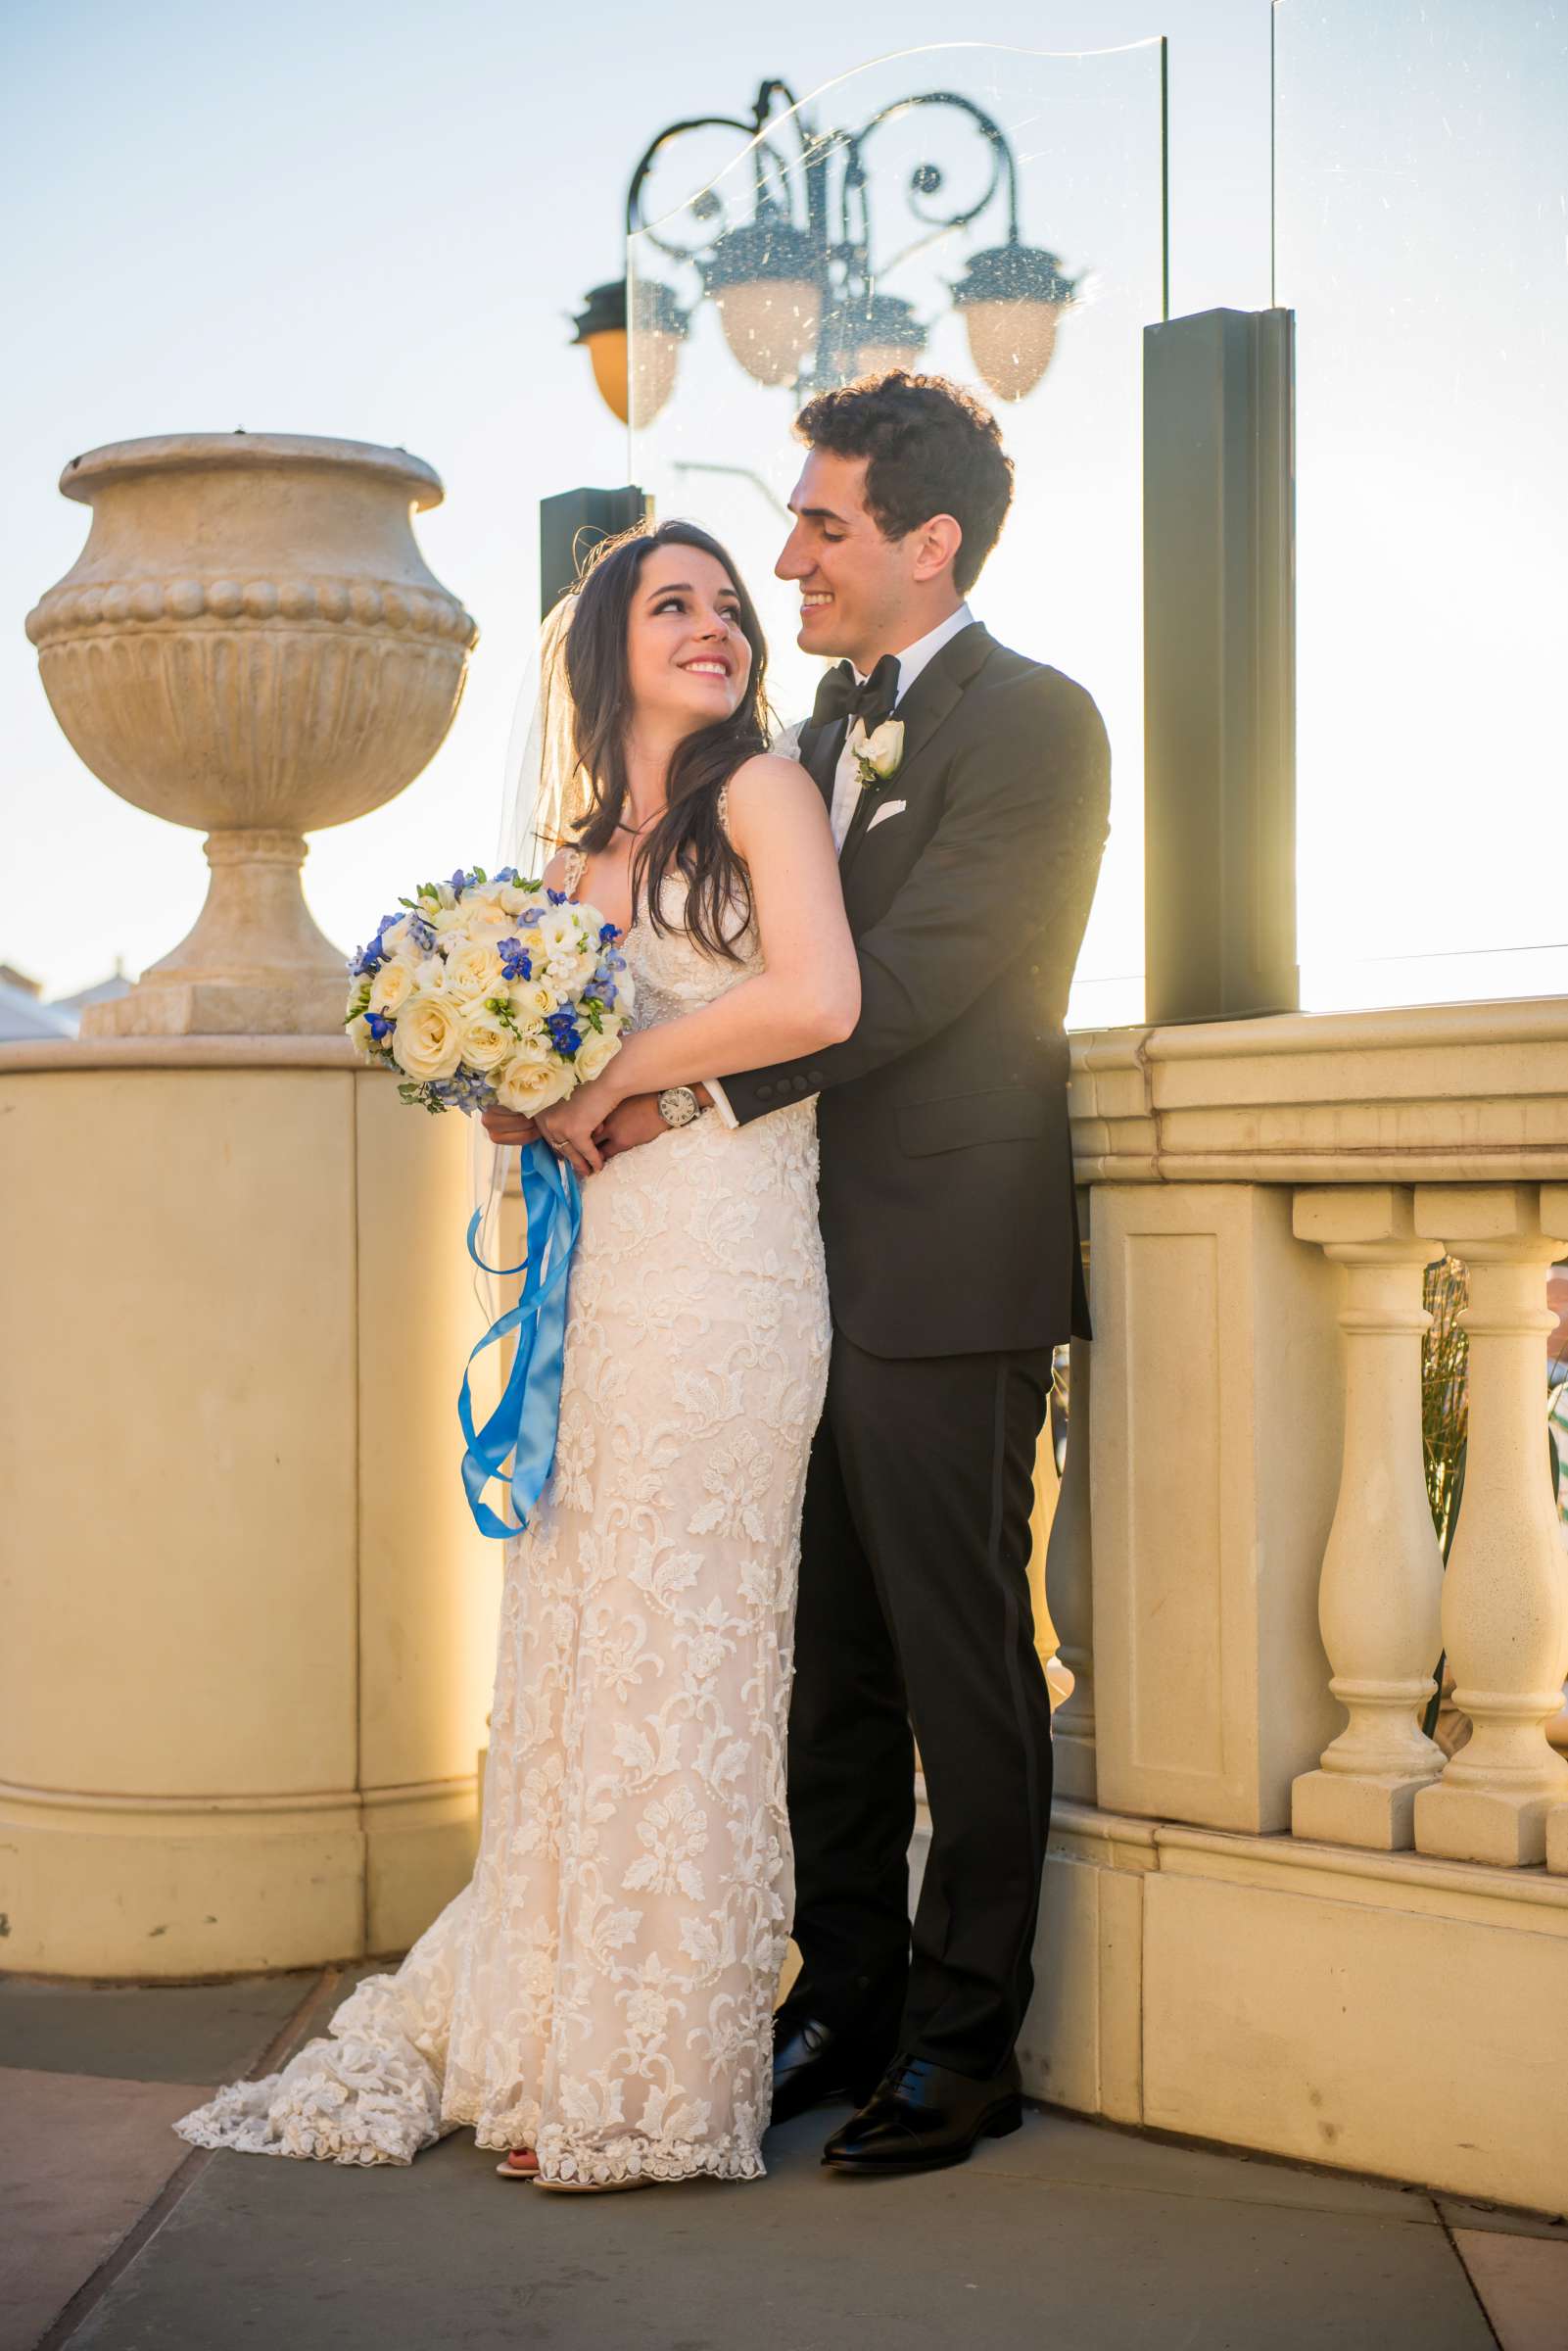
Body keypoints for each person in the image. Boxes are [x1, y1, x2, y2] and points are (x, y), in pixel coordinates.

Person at [175, 519, 859, 2191]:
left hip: (726, 1268)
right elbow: (538, 1080)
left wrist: (620, 1081)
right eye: (672, 603)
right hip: (597, 1269)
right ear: (604, 642)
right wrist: (506, 1091)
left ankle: (657, 2075)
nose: (715, 627)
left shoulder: (762, 793)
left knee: (687, 1646)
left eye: (728, 604)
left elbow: (822, 1001)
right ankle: (548, 2048)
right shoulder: (558, 871)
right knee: (572, 1647)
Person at [546, 372, 1111, 2177]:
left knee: (961, 1667)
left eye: (820, 525)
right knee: (827, 1676)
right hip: (781, 1269)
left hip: (948, 1263)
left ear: (925, 544)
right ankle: (842, 1996)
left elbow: (927, 974)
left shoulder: (1036, 723)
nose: (784, 554)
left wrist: (667, 1087)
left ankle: (964, 2047)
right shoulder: (806, 745)